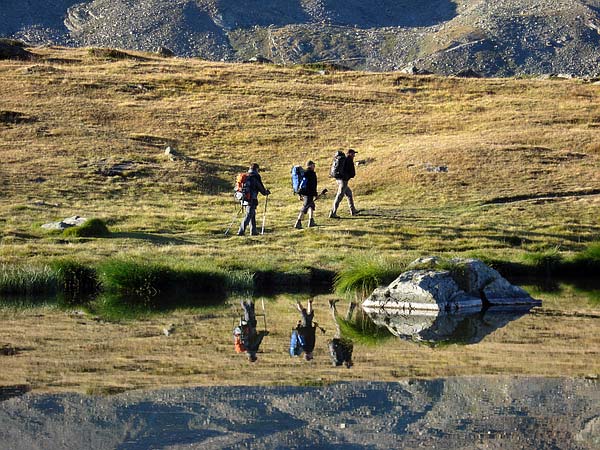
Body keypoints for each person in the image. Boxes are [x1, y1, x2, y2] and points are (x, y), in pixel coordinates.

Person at [238, 163, 270, 236]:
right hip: (251, 199)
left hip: (244, 198)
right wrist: (266, 192)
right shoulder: (255, 177)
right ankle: (241, 231)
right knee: (249, 215)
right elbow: (261, 189)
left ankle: (253, 231)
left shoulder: (246, 176)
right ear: (256, 169)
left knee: (252, 214)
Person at [329, 148, 359, 219]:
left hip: (339, 179)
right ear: (349, 153)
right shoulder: (348, 160)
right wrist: (349, 176)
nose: (354, 155)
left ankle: (353, 210)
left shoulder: (344, 160)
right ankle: (333, 213)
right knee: (339, 196)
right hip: (343, 181)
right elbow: (351, 172)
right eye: (353, 153)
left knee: (349, 193)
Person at [328, 299, 355, 368]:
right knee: (346, 323)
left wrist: (349, 341)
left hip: (340, 338)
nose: (352, 362)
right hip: (340, 339)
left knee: (338, 322)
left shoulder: (345, 357)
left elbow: (346, 347)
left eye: (351, 363)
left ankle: (332, 305)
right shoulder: (346, 357)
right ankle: (352, 306)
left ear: (348, 363)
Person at [294, 160, 318, 229]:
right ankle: (298, 222)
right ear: (310, 165)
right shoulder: (310, 174)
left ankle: (311, 221)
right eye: (313, 165)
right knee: (304, 208)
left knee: (311, 206)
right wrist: (315, 194)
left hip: (307, 193)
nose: (314, 166)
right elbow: (313, 185)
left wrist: (300, 194)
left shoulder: (306, 173)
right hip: (308, 194)